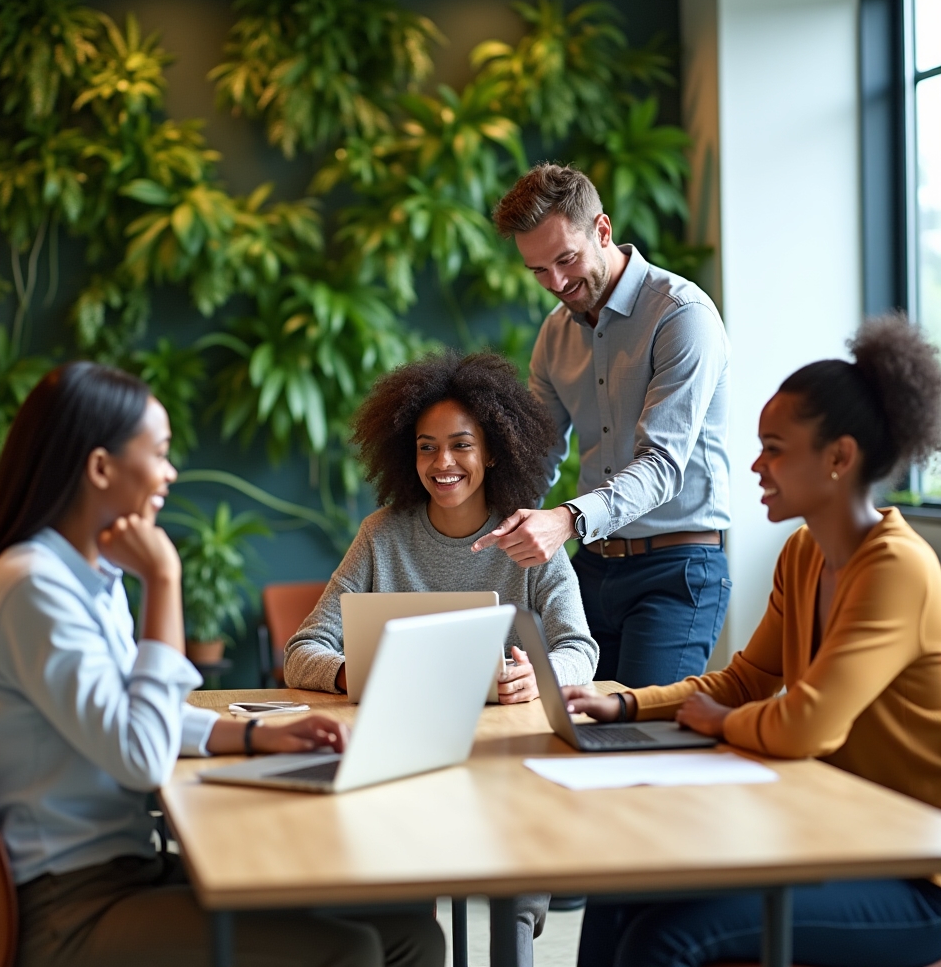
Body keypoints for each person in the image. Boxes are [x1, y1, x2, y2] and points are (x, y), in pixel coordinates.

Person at [0, 361, 444, 967]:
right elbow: (141, 752)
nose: (170, 473)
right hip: (68, 909)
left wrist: (255, 734)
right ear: (101, 468)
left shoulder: (86, 578)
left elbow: (134, 710)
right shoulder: (34, 587)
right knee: (351, 951)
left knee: (412, 933)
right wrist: (163, 581)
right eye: (158, 454)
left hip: (130, 871)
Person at [563, 315, 941, 967]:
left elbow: (807, 727)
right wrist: (625, 705)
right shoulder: (803, 554)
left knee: (669, 939)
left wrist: (724, 721)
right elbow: (741, 682)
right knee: (621, 882)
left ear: (838, 457)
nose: (756, 464)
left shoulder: (896, 569)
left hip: (917, 875)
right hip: (836, 837)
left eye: (774, 447)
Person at [283, 351, 598, 967]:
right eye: (427, 447)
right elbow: (303, 651)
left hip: (504, 757)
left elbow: (578, 649)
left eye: (461, 445)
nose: (442, 463)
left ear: (494, 451)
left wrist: (538, 677)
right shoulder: (382, 534)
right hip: (405, 754)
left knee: (516, 857)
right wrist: (354, 673)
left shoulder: (528, 538)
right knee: (398, 892)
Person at [475, 164, 731, 688]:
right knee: (570, 732)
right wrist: (476, 523)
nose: (558, 283)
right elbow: (536, 457)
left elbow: (661, 467)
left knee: (638, 742)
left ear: (603, 230)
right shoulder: (554, 335)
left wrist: (565, 520)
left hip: (677, 570)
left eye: (566, 260)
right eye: (539, 271)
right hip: (591, 570)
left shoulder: (681, 315)